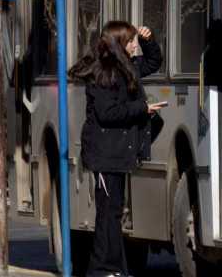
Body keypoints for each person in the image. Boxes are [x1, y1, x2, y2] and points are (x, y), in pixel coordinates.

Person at [70, 21, 164, 277]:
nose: (135, 46)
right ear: (121, 44)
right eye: (132, 41)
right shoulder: (105, 73)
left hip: (118, 154)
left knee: (113, 214)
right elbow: (108, 113)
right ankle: (102, 269)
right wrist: (142, 109)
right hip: (105, 154)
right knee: (107, 215)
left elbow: (154, 62)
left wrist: (148, 40)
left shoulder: (127, 68)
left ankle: (114, 268)